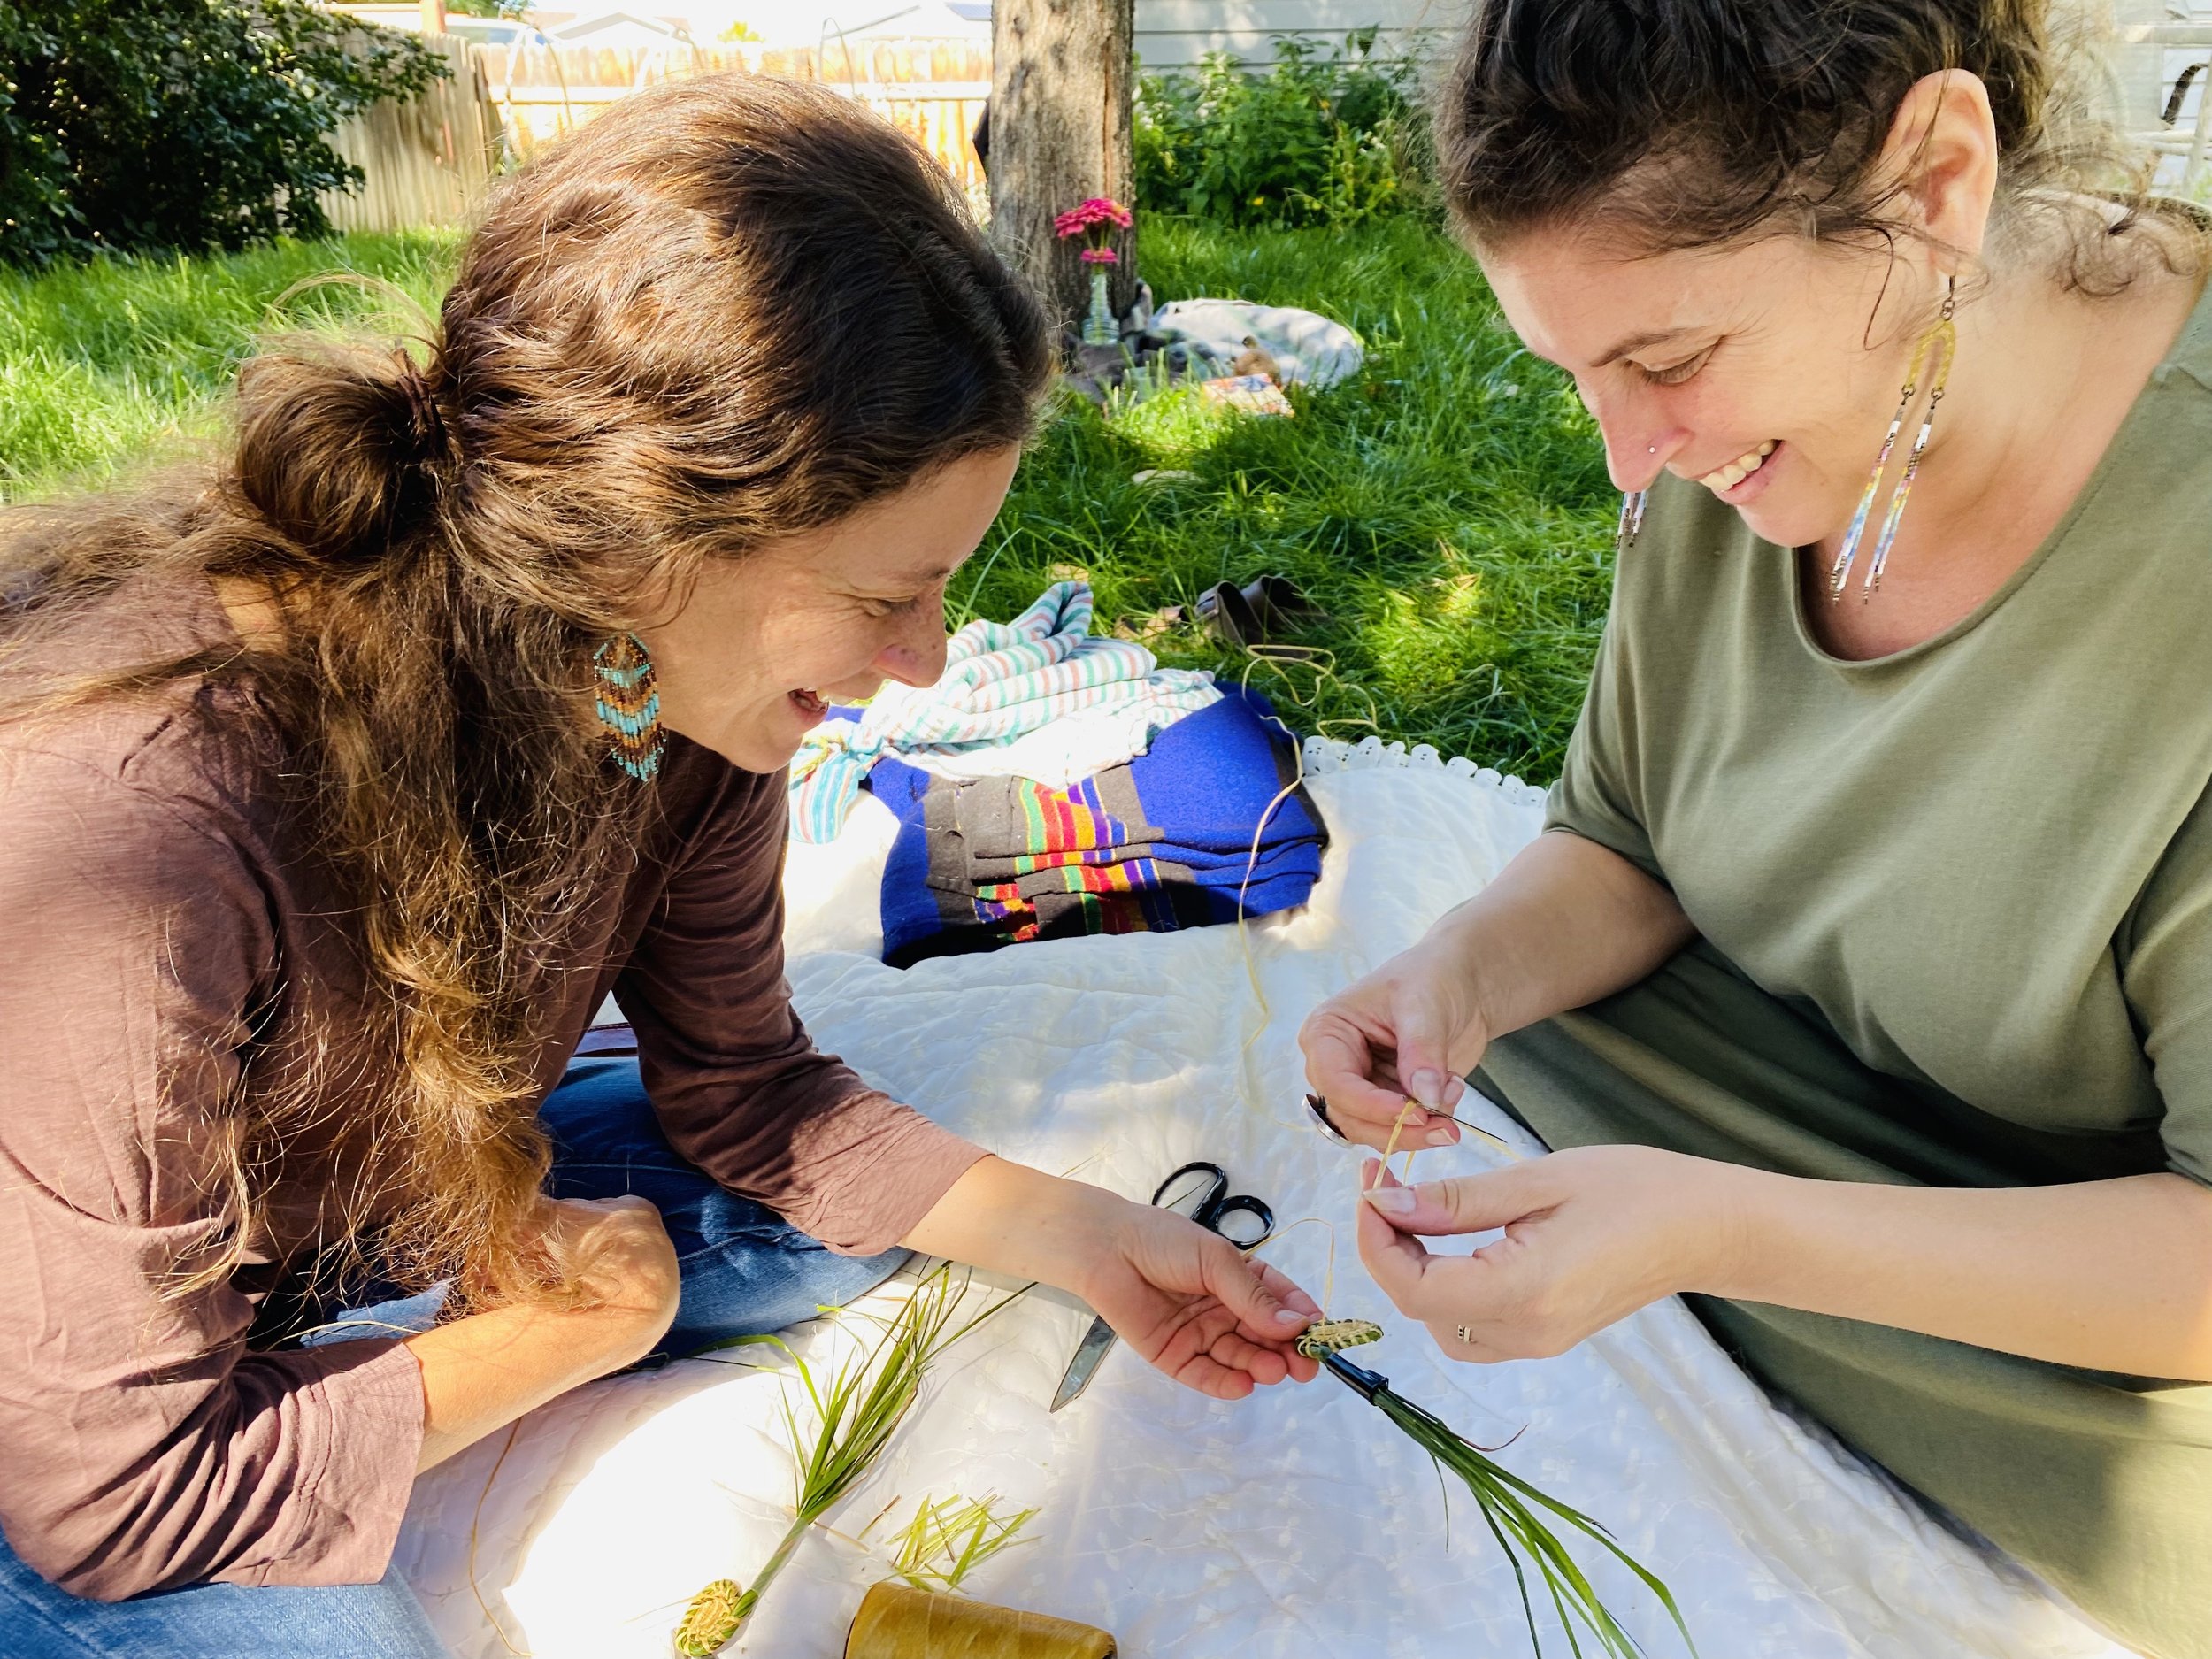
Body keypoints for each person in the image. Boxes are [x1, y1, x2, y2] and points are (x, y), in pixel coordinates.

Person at [0, 75, 1320, 1656]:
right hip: (68, 1384)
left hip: (295, 1230)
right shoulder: (128, 832)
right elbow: (115, 1496)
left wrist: (1098, 1243)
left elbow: (750, 1091)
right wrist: (572, 1329)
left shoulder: (662, 698)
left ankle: (370, 1327)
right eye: (886, 596)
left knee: (841, 1229)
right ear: (642, 542)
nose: (923, 662)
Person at [1299, 4, 2212, 1655]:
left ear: (1936, 184)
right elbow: (1628, 838)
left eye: (1666, 362)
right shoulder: (1753, 435)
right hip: (1847, 1118)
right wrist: (1458, 980)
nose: (1626, 461)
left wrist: (1718, 1228)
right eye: (1578, 376)